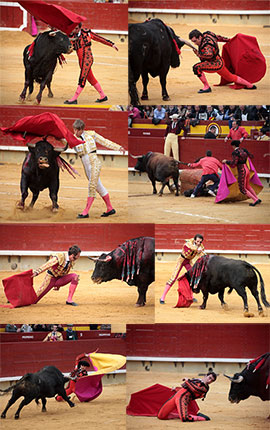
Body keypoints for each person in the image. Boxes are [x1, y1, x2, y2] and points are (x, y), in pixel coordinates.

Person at [72, 119, 125, 218]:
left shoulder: (91, 134)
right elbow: (64, 141)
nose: (75, 132)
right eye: (74, 130)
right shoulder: (73, 138)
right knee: (98, 186)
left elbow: (104, 141)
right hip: (86, 166)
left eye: (76, 130)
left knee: (92, 186)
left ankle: (86, 211)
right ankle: (110, 208)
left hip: (95, 163)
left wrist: (118, 147)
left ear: (81, 129)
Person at [64, 23, 118, 104]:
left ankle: (74, 98)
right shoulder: (71, 36)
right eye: (73, 28)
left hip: (87, 59)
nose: (74, 30)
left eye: (76, 28)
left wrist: (111, 44)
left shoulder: (86, 33)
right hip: (81, 60)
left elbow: (99, 38)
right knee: (90, 78)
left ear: (79, 28)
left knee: (82, 78)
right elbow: (68, 49)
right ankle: (103, 96)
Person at [189, 29, 256, 93]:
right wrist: (228, 40)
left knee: (196, 68)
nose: (195, 43)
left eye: (195, 41)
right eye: (193, 41)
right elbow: (218, 37)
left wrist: (199, 54)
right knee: (231, 77)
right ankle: (250, 85)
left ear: (200, 37)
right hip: (219, 62)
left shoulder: (207, 45)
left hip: (215, 64)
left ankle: (206, 87)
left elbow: (209, 55)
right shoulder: (208, 34)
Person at [160, 235, 206, 304]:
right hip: (181, 260)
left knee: (192, 277)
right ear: (194, 240)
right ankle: (162, 298)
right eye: (197, 241)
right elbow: (191, 247)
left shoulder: (201, 246)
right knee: (173, 278)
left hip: (189, 261)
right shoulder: (188, 242)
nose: (199, 243)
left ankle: (191, 296)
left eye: (200, 242)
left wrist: (203, 255)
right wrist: (197, 249)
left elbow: (201, 255)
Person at [222, 140, 262, 206]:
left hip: (242, 171)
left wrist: (226, 161)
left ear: (233, 145)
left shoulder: (235, 152)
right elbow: (251, 156)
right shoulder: (243, 150)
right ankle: (256, 198)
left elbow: (234, 163)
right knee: (247, 186)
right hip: (247, 169)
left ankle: (255, 200)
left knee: (242, 189)